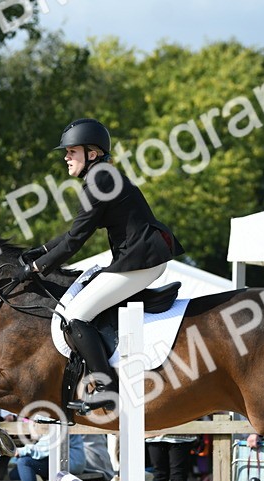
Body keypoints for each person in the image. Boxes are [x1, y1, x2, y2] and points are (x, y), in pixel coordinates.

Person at [22, 118, 184, 411]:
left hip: (142, 261)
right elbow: (73, 233)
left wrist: (36, 268)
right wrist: (42, 251)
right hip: (140, 257)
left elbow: (74, 241)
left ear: (92, 153)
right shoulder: (102, 177)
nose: (66, 157)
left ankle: (107, 389)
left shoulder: (99, 180)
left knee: (75, 316)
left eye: (72, 151)